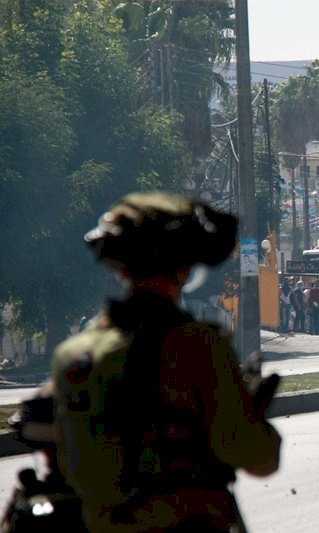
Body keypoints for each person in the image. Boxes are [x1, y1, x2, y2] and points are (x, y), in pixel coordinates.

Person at [50, 191, 281, 532]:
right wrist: (253, 415)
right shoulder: (197, 346)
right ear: (185, 266)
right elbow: (257, 457)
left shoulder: (73, 354)